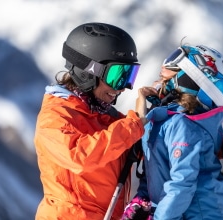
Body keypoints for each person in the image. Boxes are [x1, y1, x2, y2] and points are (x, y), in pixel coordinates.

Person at [33, 22, 152, 220]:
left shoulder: (104, 117)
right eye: (117, 76)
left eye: (128, 76)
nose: (123, 88)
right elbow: (79, 157)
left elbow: (144, 142)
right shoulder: (54, 117)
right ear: (87, 71)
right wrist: (135, 124)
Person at [122, 44, 223, 220]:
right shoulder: (163, 119)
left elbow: (182, 183)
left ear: (190, 79)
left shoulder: (184, 126)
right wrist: (143, 200)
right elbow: (156, 169)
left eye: (173, 65)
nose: (164, 67)